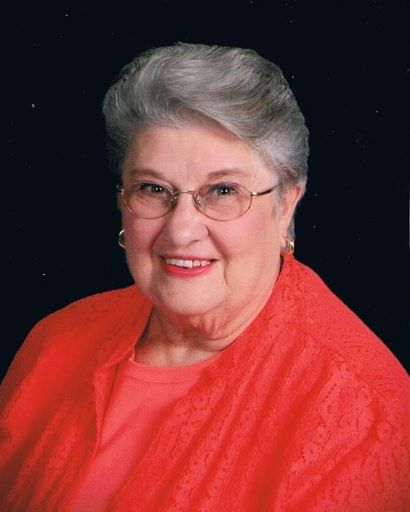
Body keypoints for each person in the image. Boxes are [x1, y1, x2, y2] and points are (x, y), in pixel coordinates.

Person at [0, 43, 409, 512]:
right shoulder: (55, 341)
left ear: (286, 205)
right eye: (153, 188)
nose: (181, 230)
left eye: (222, 191)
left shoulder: (364, 413)